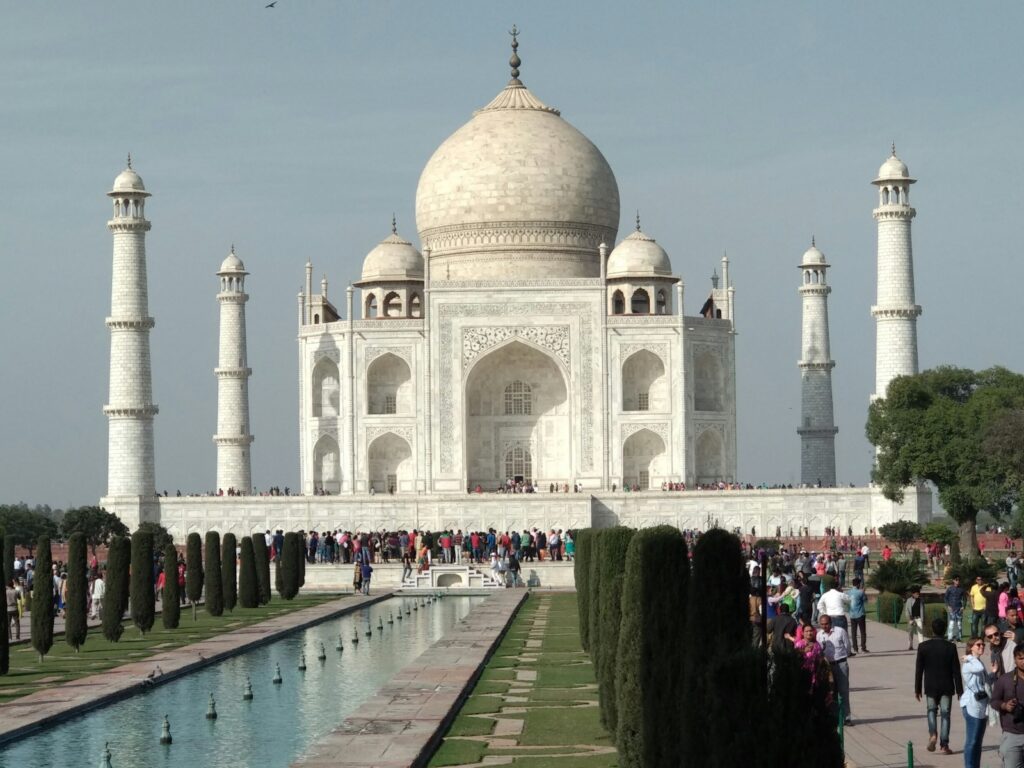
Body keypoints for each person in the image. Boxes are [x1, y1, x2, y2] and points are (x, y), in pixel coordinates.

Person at [914, 616, 963, 755]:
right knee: (946, 714)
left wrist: (917, 689)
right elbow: (956, 671)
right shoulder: (951, 647)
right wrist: (960, 690)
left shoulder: (923, 647)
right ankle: (944, 745)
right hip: (947, 686)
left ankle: (933, 734)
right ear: (945, 630)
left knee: (931, 711)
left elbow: (919, 670)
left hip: (930, 686)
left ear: (932, 630)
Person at [990, 644, 1024, 768]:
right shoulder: (1005, 680)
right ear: (1014, 659)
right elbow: (994, 701)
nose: (1023, 661)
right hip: (1012, 734)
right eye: (1021, 658)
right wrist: (1005, 706)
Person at [817, 614, 853, 725]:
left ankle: (847, 717)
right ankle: (836, 717)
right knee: (832, 692)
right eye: (822, 624)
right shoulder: (819, 635)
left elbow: (847, 647)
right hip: (828, 666)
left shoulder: (840, 631)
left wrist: (842, 657)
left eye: (826, 624)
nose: (825, 626)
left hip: (841, 664)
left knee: (843, 691)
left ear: (831, 622)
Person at [960, 636, 990, 768]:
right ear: (971, 647)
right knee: (972, 741)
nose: (982, 647)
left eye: (983, 644)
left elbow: (985, 681)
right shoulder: (969, 663)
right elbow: (977, 668)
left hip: (981, 704)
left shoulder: (978, 662)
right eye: (978, 645)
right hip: (971, 705)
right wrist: (970, 657)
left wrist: (993, 674)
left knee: (978, 741)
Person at [848, 577, 868, 654]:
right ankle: (863, 647)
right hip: (860, 614)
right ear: (858, 584)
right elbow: (865, 600)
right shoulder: (860, 592)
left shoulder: (848, 592)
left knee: (853, 633)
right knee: (862, 632)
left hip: (852, 614)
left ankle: (855, 649)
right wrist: (864, 592)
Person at [945, 576, 965, 642]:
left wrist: (963, 606)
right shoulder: (950, 589)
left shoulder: (961, 589)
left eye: (958, 580)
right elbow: (946, 598)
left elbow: (965, 599)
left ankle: (958, 637)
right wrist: (948, 606)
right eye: (956, 580)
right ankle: (950, 637)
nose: (957, 581)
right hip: (952, 609)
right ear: (953, 580)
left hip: (959, 609)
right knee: (951, 624)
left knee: (959, 624)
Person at [905, 585, 924, 651]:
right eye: (916, 594)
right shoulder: (909, 600)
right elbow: (907, 610)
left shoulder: (921, 600)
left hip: (918, 618)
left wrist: (922, 619)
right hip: (911, 618)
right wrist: (909, 619)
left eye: (918, 594)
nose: (918, 595)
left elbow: (922, 610)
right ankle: (910, 646)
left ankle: (921, 646)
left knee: (920, 632)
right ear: (913, 594)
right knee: (910, 632)